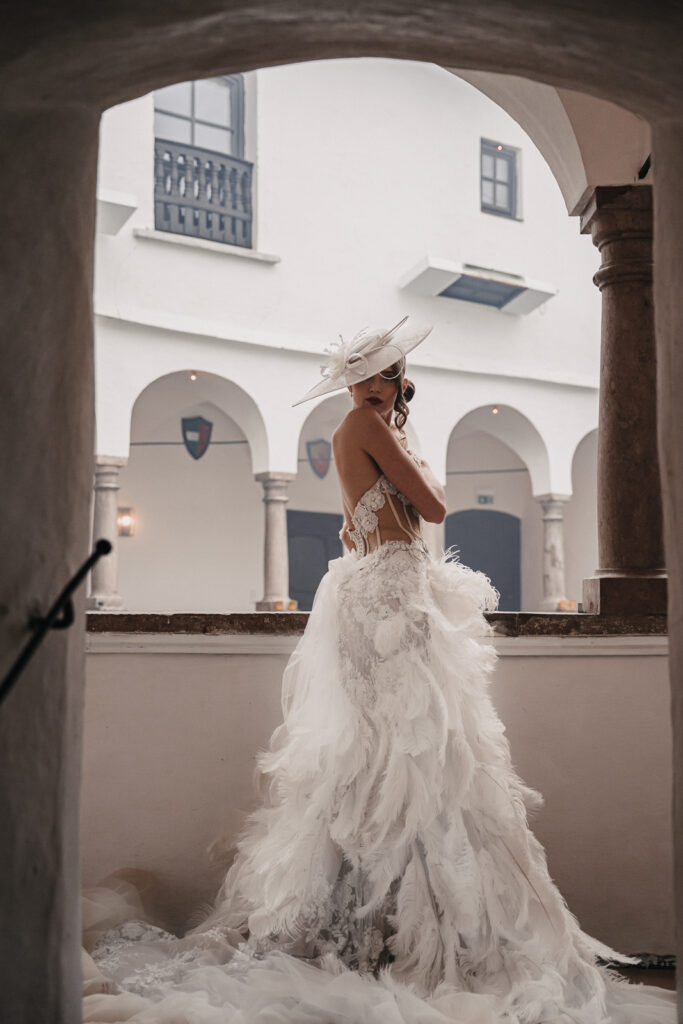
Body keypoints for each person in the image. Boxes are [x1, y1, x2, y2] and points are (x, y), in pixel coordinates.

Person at [82, 319, 676, 1024]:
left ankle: (376, 921)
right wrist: (409, 456)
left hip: (371, 590)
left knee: (388, 755)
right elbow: (433, 506)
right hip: (391, 594)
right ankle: (392, 927)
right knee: (412, 751)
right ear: (381, 380)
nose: (377, 384)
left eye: (380, 374)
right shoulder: (368, 424)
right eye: (374, 374)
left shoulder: (349, 428)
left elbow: (355, 522)